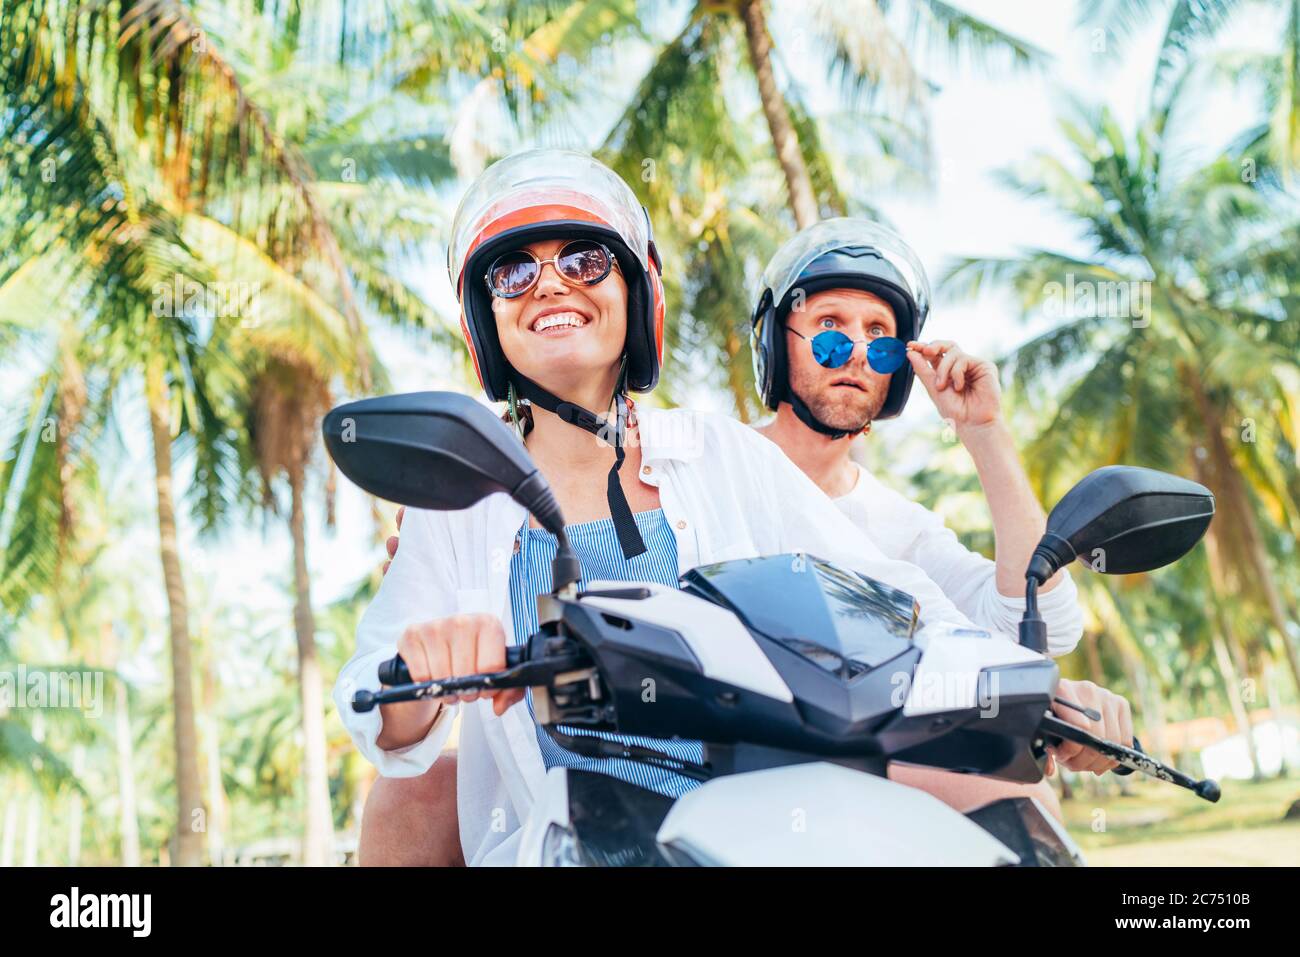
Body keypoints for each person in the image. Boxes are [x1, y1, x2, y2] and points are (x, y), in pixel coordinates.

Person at [339, 150, 1133, 866]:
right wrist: (428, 670)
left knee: (1012, 817)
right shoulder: (457, 506)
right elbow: (375, 706)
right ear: (488, 319)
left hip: (762, 830)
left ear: (634, 296)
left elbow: (910, 610)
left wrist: (1040, 698)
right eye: (513, 271)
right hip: (571, 834)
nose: (550, 283)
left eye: (584, 260)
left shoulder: (723, 455)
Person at [749, 218, 1094, 813]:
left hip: (862, 805)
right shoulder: (710, 467)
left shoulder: (897, 526)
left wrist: (984, 432)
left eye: (880, 338)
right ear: (777, 343)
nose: (856, 353)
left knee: (1024, 797)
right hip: (721, 784)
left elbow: (1038, 624)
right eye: (829, 330)